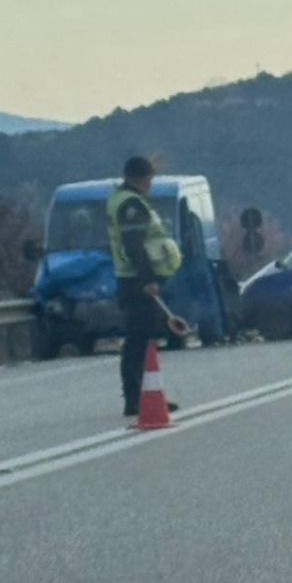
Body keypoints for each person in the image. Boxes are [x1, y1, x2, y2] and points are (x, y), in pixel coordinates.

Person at [106, 156, 183, 424]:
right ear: (141, 178)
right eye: (149, 178)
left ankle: (142, 394)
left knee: (140, 337)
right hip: (136, 280)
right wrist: (147, 279)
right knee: (138, 339)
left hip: (130, 278)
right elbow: (134, 245)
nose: (151, 184)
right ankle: (136, 398)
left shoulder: (121, 198)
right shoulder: (130, 204)